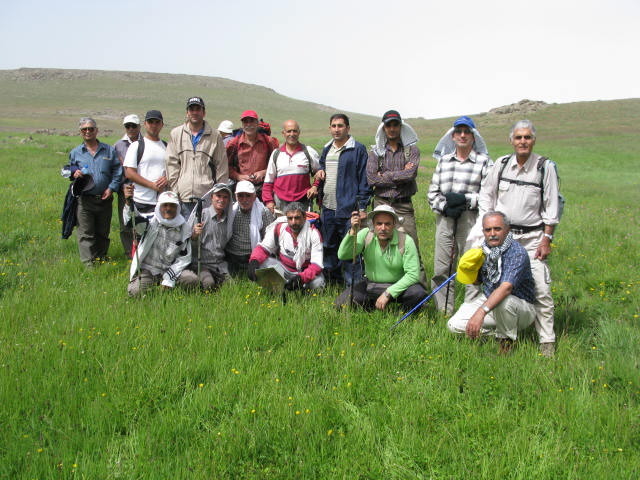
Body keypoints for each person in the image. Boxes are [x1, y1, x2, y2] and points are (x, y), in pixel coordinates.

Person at [471, 120, 560, 357]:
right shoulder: (500, 165)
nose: (523, 141)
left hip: (532, 239)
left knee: (541, 290)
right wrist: (485, 229)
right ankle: (495, 334)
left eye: (527, 137)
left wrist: (547, 239)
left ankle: (546, 343)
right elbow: (486, 197)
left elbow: (552, 205)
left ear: (534, 140)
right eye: (519, 137)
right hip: (500, 239)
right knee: (492, 285)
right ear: (511, 140)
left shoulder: (545, 167)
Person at [428, 116, 493, 314]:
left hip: (471, 220)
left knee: (471, 265)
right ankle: (443, 312)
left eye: (467, 132)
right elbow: (432, 192)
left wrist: (465, 200)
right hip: (445, 218)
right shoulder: (444, 161)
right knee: (442, 266)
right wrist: (444, 207)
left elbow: (488, 194)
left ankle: (469, 312)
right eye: (459, 132)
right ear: (453, 136)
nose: (463, 135)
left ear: (473, 137)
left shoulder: (484, 162)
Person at [447, 212, 536, 354]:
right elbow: (478, 282)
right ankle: (497, 335)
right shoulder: (484, 250)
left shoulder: (517, 252)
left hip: (520, 306)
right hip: (490, 301)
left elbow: (506, 288)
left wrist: (480, 312)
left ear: (507, 230)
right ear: (483, 231)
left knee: (505, 302)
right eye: (488, 230)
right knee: (454, 325)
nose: (492, 233)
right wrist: (470, 269)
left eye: (497, 229)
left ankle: (506, 345)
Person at [335, 205, 426, 310]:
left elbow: (413, 274)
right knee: (341, 303)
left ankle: (400, 314)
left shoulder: (406, 240)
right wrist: (352, 232)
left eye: (387, 224)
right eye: (379, 224)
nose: (383, 228)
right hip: (371, 284)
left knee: (418, 293)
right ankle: (373, 308)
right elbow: (343, 254)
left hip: (399, 286)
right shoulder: (365, 234)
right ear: (373, 224)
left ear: (394, 225)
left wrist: (388, 293)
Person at [318, 113, 372, 285]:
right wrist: (319, 172)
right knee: (329, 247)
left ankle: (354, 288)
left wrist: (362, 207)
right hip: (328, 208)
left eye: (340, 126)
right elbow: (322, 167)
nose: (336, 129)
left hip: (349, 209)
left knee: (351, 249)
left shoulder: (358, 149)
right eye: (333, 126)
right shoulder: (327, 149)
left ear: (348, 128)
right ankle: (332, 283)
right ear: (329, 128)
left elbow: (364, 180)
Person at [66, 117, 122, 266]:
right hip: (84, 200)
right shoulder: (75, 152)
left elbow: (117, 170)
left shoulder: (109, 150)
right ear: (80, 132)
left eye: (91, 128)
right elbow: (69, 170)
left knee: (103, 232)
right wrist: (74, 173)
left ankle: (101, 258)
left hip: (105, 198)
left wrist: (111, 188)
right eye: (84, 129)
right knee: (86, 233)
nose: (88, 131)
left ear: (97, 130)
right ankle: (89, 264)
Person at [165, 96, 229, 218]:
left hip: (207, 197)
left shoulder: (215, 136)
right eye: (191, 109)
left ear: (203, 112)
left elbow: (222, 167)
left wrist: (219, 194)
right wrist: (175, 190)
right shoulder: (176, 134)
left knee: (206, 234)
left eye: (198, 109)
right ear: (187, 113)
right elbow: (171, 163)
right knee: (184, 234)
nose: (194, 112)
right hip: (182, 197)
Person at [126, 191, 198, 296]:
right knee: (135, 292)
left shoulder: (184, 227)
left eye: (172, 206)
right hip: (148, 270)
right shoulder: (150, 221)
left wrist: (169, 278)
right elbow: (133, 219)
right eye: (165, 205)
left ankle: (169, 288)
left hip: (171, 270)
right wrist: (129, 202)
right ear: (159, 206)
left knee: (192, 280)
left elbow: (184, 258)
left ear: (177, 208)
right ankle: (154, 287)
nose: (168, 209)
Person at [247, 202, 325, 291]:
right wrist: (253, 262)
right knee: (261, 264)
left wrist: (301, 278)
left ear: (304, 217)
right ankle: (276, 289)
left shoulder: (313, 234)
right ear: (286, 218)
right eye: (290, 218)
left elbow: (317, 264)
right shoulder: (279, 228)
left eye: (297, 218)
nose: (293, 222)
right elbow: (263, 248)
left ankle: (301, 290)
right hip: (284, 269)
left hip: (304, 272)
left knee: (318, 283)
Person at [262, 119, 323, 215]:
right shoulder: (276, 154)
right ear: (283, 133)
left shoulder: (308, 152)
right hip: (280, 204)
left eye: (295, 131)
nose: (292, 134)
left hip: (303, 202)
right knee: (281, 229)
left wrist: (315, 186)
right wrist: (269, 201)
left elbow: (320, 172)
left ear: (299, 132)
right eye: (289, 131)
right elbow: (268, 182)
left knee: (303, 229)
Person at [182, 183, 234, 290]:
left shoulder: (228, 220)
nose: (221, 200)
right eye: (218, 196)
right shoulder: (201, 215)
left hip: (219, 264)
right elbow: (185, 243)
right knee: (208, 284)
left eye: (225, 197)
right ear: (211, 197)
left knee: (231, 287)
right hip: (201, 263)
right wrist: (194, 235)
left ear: (229, 200)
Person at [123, 110, 167, 217]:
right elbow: (129, 173)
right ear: (145, 124)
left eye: (157, 122)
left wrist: (167, 178)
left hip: (162, 202)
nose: (154, 125)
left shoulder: (166, 146)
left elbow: (172, 170)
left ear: (162, 125)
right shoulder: (136, 146)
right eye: (150, 122)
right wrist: (152, 185)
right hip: (141, 200)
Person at [224, 180, 275, 275]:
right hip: (232, 255)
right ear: (235, 197)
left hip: (253, 256)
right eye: (240, 196)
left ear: (254, 196)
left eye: (248, 195)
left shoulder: (263, 212)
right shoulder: (231, 211)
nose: (244, 200)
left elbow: (269, 238)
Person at [226, 109, 278, 198]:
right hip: (242, 189)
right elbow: (225, 167)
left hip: (264, 188)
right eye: (246, 122)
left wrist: (264, 172)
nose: (249, 125)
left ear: (257, 123)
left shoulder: (269, 141)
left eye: (252, 121)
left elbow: (278, 164)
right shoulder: (234, 144)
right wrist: (238, 176)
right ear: (242, 125)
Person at [114, 114, 141, 258]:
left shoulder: (147, 142)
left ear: (139, 127)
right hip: (124, 189)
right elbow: (115, 169)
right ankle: (128, 254)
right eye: (127, 126)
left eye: (133, 126)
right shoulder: (118, 146)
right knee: (125, 223)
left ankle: (142, 252)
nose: (130, 129)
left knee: (143, 222)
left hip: (143, 189)